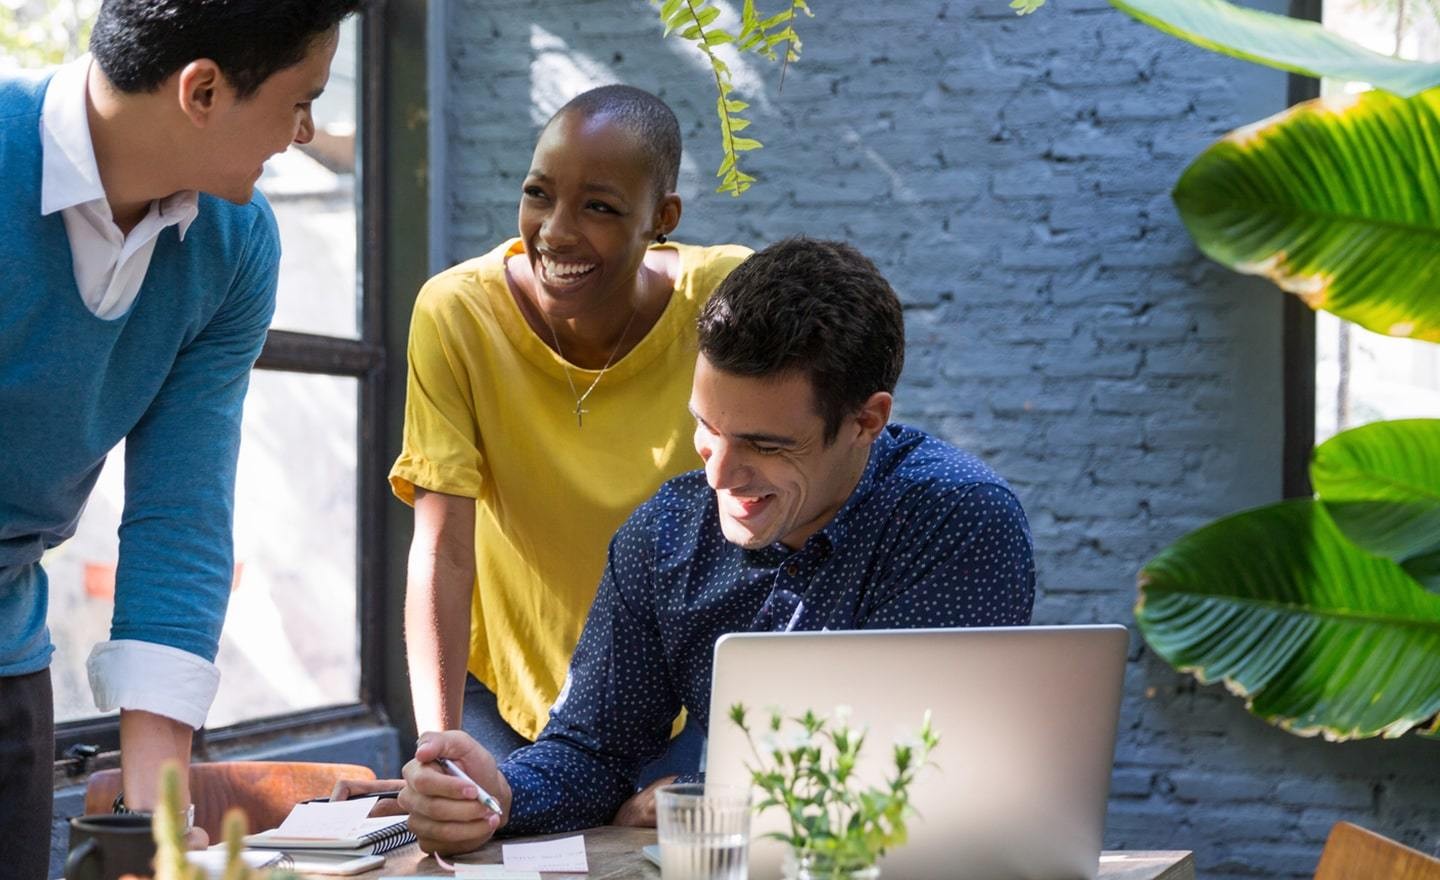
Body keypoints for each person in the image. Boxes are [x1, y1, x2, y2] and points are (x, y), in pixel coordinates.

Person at [395, 237, 1037, 854]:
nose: (719, 475)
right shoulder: (666, 534)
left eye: (765, 444)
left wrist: (707, 798)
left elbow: (914, 774)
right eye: (706, 427)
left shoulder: (958, 519)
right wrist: (501, 794)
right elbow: (593, 750)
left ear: (866, 421)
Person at [0, 0, 359, 871]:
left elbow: (180, 512)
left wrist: (152, 809)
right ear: (202, 90)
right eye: (300, 100)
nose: (306, 131)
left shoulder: (235, 246)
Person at [383, 86, 750, 772]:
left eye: (600, 207)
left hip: (684, 708)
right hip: (507, 701)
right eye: (539, 193)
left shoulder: (726, 303)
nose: (555, 230)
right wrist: (439, 747)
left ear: (661, 217)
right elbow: (443, 550)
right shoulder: (458, 315)